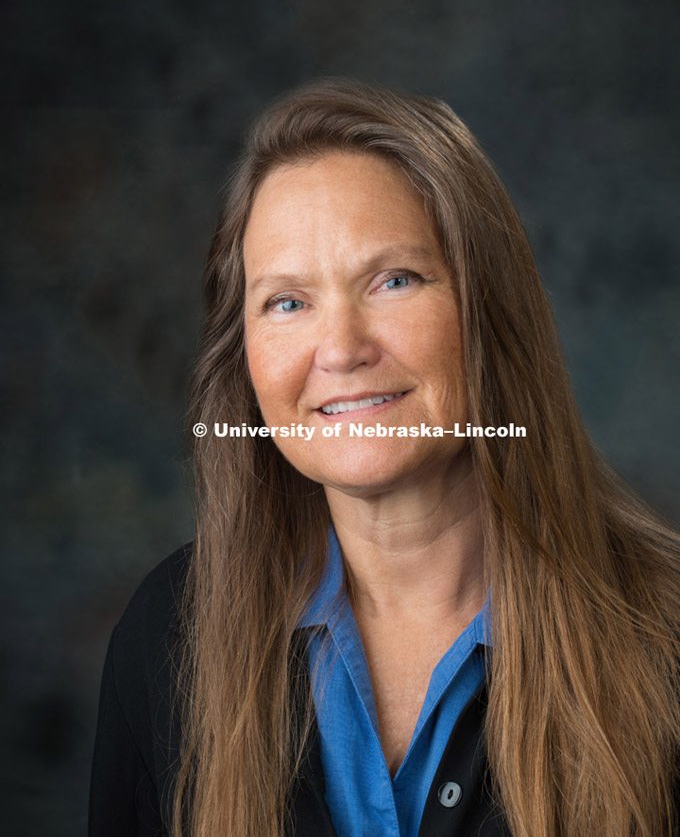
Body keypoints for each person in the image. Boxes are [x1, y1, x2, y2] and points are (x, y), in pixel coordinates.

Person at [88, 78, 680, 837]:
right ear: (244, 357)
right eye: (287, 302)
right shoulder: (168, 636)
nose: (339, 350)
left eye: (393, 280)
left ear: (489, 313)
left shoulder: (661, 639)